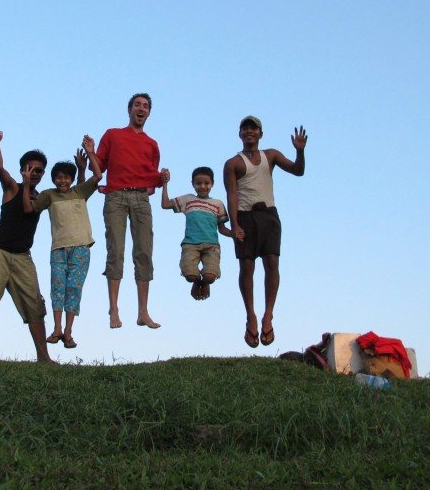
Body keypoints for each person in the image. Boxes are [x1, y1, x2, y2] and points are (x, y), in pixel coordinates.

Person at [223, 116, 307, 348]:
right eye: (245, 128)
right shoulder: (233, 163)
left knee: (272, 264)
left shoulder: (271, 156)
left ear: (261, 134)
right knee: (246, 267)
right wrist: (235, 224)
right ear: (239, 134)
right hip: (245, 216)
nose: (249, 132)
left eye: (254, 128)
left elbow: (298, 171)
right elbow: (232, 194)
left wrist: (299, 152)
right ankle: (250, 315)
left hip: (268, 215)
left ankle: (268, 315)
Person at [0, 133, 54, 364]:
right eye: (30, 168)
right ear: (22, 169)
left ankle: (44, 358)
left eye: (39, 170)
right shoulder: (12, 188)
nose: (34, 173)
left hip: (22, 256)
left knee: (35, 304)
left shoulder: (40, 198)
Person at [23, 136, 103, 349]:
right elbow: (29, 209)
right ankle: (57, 329)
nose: (62, 181)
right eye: (58, 177)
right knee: (57, 288)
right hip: (58, 249)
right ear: (53, 179)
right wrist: (25, 183)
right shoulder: (49, 195)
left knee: (73, 289)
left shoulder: (80, 192)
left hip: (81, 248)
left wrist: (90, 152)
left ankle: (68, 331)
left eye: (67, 177)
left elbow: (98, 176)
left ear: (71, 178)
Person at [95, 93, 165, 330]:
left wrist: (163, 178)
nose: (141, 108)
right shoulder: (113, 134)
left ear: (149, 113)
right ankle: (113, 309)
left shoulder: (152, 144)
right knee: (116, 249)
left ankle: (143, 311)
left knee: (144, 251)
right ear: (129, 109)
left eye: (146, 106)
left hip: (141, 198)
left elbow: (151, 177)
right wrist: (89, 151)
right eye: (137, 104)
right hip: (116, 196)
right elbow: (99, 166)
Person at [160, 166, 232, 300]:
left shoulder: (218, 204)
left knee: (210, 277)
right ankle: (196, 281)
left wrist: (234, 234)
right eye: (198, 183)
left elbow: (222, 228)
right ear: (193, 184)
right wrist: (165, 183)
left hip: (211, 246)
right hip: (190, 245)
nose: (203, 186)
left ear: (212, 184)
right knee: (190, 276)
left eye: (206, 183)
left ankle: (205, 282)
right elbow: (165, 204)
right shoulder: (188, 200)